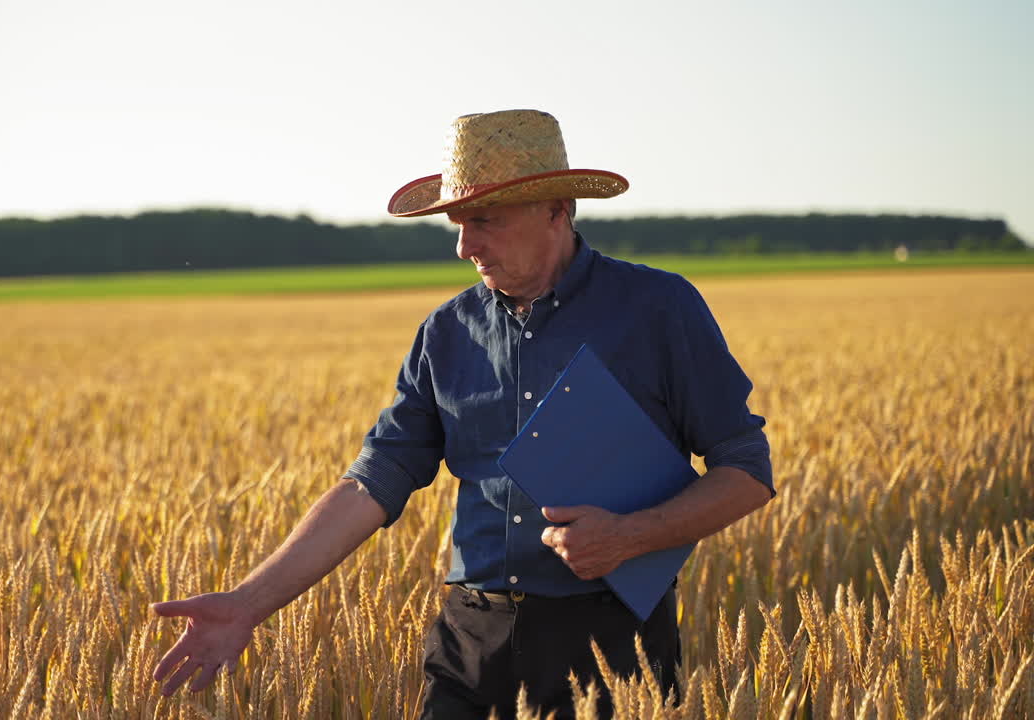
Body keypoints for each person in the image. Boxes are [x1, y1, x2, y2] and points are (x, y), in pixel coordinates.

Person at [149, 109, 774, 719]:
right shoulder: (446, 333)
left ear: (557, 210)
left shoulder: (658, 309)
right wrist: (247, 603)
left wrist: (631, 536)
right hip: (471, 640)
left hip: (612, 643)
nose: (462, 245)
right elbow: (375, 480)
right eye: (455, 222)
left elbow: (745, 470)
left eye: (484, 220)